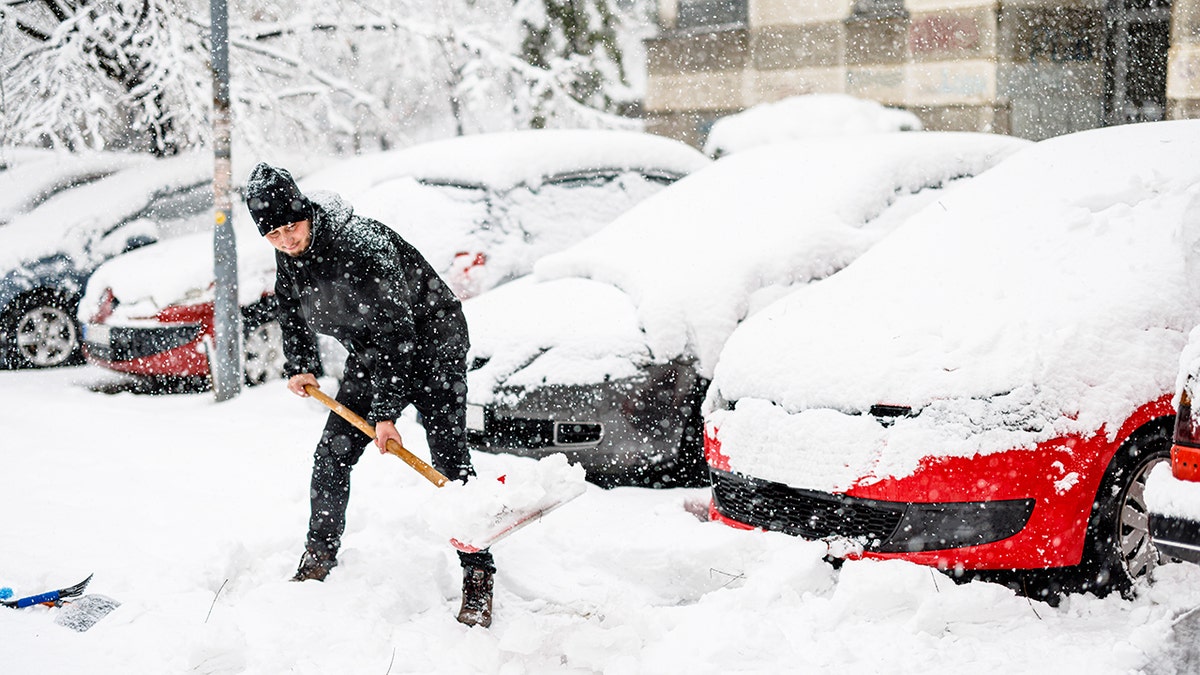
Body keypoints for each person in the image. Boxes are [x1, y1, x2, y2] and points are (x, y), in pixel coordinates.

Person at [246, 162, 495, 628]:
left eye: (291, 226)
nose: (285, 239)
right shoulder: (290, 251)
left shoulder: (361, 245)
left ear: (306, 212)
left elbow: (398, 330)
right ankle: (319, 554)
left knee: (449, 461)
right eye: (273, 233)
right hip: (374, 352)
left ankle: (478, 573)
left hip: (432, 345)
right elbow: (291, 307)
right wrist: (301, 363)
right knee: (332, 453)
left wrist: (384, 413)